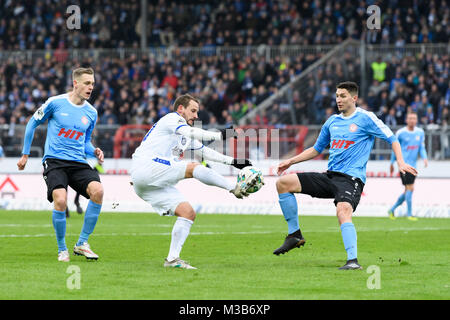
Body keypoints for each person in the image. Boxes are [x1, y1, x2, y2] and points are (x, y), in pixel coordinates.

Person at [272, 81, 417, 270]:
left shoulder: (366, 118)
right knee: (283, 183)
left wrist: (400, 162)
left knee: (343, 211)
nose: (338, 99)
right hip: (330, 176)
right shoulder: (332, 121)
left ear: (354, 98)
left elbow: (392, 138)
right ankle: (295, 235)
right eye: (337, 95)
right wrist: (290, 161)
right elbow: (316, 149)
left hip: (351, 179)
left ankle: (352, 261)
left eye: (343, 96)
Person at [130, 94, 255, 269]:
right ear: (181, 109)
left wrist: (234, 162)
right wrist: (221, 136)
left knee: (187, 213)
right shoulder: (171, 119)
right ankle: (233, 188)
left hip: (147, 183)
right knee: (193, 167)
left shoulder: (184, 134)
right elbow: (191, 132)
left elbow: (205, 152)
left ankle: (172, 260)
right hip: (146, 167)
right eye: (193, 111)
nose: (196, 116)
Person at [17, 67, 105, 262]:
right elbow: (32, 123)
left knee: (98, 191)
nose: (91, 87)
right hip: (55, 161)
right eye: (87, 83)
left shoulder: (91, 113)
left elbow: (85, 142)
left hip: (78, 162)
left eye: (93, 83)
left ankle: (82, 243)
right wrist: (25, 154)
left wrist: (95, 150)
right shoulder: (55, 103)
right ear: (76, 83)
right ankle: (62, 248)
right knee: (61, 201)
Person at [388, 112, 428, 221]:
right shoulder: (401, 133)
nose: (412, 120)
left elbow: (421, 147)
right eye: (410, 118)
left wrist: (425, 158)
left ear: (416, 120)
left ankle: (392, 209)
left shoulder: (420, 132)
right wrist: (392, 163)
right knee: (410, 188)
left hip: (414, 166)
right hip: (404, 166)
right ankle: (409, 214)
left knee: (408, 190)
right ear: (406, 120)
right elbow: (395, 149)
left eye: (414, 118)